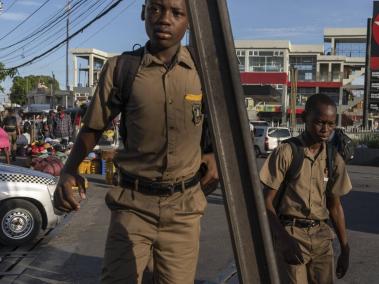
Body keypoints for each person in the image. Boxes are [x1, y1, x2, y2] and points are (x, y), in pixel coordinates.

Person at [53, 0, 218, 283]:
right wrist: (68, 170)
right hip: (132, 204)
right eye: (156, 9)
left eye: (176, 13)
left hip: (184, 208)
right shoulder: (121, 69)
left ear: (189, 21)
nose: (164, 19)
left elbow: (219, 117)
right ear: (144, 12)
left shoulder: (202, 69)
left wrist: (213, 152)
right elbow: (93, 126)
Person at [260, 94, 352, 283]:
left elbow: (335, 206)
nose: (325, 129)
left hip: (321, 238)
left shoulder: (333, 158)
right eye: (319, 122)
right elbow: (265, 201)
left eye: (331, 124)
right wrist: (283, 239)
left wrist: (345, 248)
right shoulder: (287, 152)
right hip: (292, 236)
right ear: (305, 119)